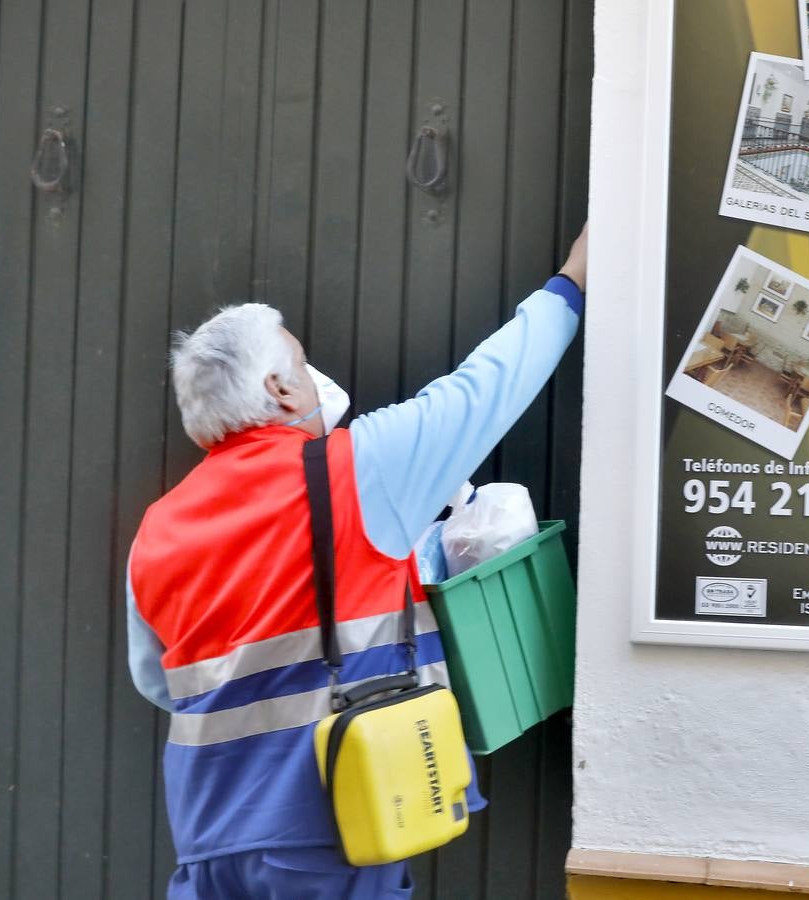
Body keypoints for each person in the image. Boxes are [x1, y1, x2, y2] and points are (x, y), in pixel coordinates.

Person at [126, 226, 588, 898]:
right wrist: (570, 284)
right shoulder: (354, 471)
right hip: (332, 818)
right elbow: (485, 389)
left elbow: (161, 682)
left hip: (206, 837)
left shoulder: (156, 529)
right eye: (302, 360)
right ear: (282, 390)